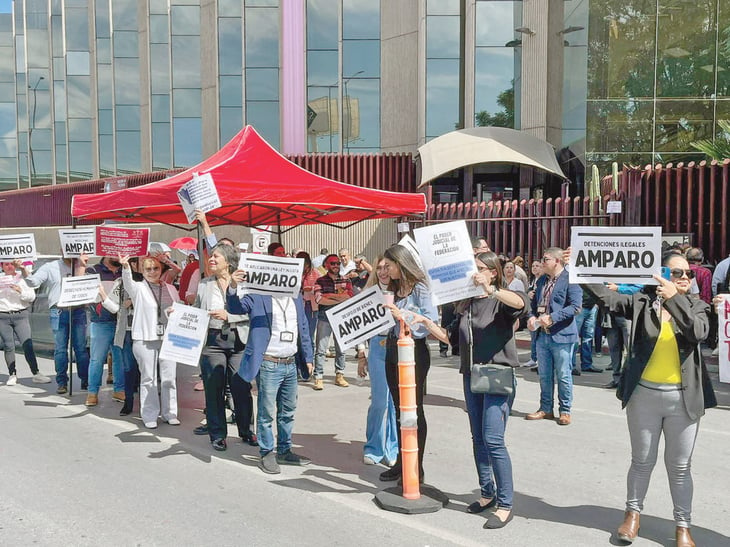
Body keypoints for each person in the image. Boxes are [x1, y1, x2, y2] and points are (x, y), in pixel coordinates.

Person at [583, 253, 715, 547]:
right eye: (676, 272)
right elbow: (606, 297)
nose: (684, 278)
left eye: (688, 274)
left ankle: (683, 526)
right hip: (644, 396)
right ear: (661, 273)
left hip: (683, 401)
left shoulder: (698, 306)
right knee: (642, 461)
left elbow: (698, 332)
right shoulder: (642, 304)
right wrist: (578, 269)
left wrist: (673, 299)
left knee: (680, 467)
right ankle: (633, 514)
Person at [456, 251, 528, 529]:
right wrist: (421, 322)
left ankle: (505, 503)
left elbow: (521, 304)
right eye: (471, 269)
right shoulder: (467, 303)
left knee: (493, 439)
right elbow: (451, 336)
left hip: (497, 375)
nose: (473, 273)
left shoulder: (502, 299)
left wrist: (492, 290)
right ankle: (487, 492)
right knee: (477, 438)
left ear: (493, 272)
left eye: (479, 268)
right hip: (471, 375)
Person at [226, 267, 314, 474]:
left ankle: (285, 450)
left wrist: (308, 357)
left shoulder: (296, 299)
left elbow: (303, 328)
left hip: (290, 362)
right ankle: (267, 452)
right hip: (269, 362)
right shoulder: (257, 297)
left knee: (288, 410)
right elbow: (234, 307)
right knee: (266, 412)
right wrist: (232, 286)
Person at [378, 244, 440, 483]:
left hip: (414, 352)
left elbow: (429, 323)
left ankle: (416, 468)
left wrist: (401, 316)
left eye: (389, 265)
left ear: (400, 264)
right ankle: (402, 462)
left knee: (413, 410)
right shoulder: (393, 287)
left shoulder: (420, 288)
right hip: (393, 348)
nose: (386, 270)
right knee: (398, 409)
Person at [194, 244, 255, 451]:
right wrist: (177, 314)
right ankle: (217, 434)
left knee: (241, 388)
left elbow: (252, 312)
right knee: (214, 390)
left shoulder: (243, 283)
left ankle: (247, 431)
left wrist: (230, 316)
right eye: (211, 256)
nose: (211, 260)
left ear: (228, 262)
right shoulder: (204, 284)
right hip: (213, 343)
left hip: (239, 342)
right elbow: (196, 311)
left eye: (216, 257)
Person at [121, 254, 181, 429]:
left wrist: (173, 311)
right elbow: (127, 282)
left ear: (161, 269)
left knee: (169, 378)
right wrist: (125, 266)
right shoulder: (138, 288)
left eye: (155, 268)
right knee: (149, 378)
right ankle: (149, 414)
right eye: (148, 269)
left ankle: (170, 412)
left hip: (169, 338)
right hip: (145, 338)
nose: (152, 272)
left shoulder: (170, 288)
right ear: (141, 270)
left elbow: (179, 308)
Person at [525, 247, 581, 426]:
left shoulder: (570, 279)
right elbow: (533, 304)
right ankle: (545, 408)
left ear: (557, 261)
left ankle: (565, 410)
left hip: (562, 334)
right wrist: (531, 316)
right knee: (544, 374)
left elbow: (575, 307)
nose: (542, 262)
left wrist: (553, 318)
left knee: (564, 374)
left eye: (546, 259)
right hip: (542, 334)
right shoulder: (541, 280)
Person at [19, 256, 89, 394]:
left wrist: (82, 264)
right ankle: (62, 382)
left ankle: (85, 381)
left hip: (78, 310)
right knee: (60, 349)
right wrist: (23, 269)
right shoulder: (50, 267)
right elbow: (33, 282)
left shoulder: (82, 265)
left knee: (80, 348)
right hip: (58, 309)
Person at [357, 256, 398, 467]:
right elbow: (358, 329)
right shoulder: (368, 293)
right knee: (380, 401)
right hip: (376, 346)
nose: (383, 272)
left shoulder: (401, 291)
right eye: (380, 267)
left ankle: (392, 449)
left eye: (387, 267)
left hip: (397, 347)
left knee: (394, 402)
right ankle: (373, 447)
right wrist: (361, 355)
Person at [80, 254, 125, 407]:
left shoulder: (124, 270)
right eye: (113, 252)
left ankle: (119, 390)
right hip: (100, 321)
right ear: (105, 253)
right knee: (97, 359)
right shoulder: (93, 270)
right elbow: (81, 288)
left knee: (119, 359)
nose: (117, 256)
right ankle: (92, 393)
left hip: (120, 321)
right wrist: (81, 266)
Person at [99, 257, 141, 416]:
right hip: (126, 332)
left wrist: (135, 301)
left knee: (146, 371)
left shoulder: (145, 282)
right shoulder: (119, 283)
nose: (130, 266)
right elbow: (115, 308)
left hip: (144, 332)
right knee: (128, 368)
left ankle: (146, 403)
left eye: (133, 263)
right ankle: (128, 402)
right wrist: (103, 296)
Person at [0, 261, 49, 385]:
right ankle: (12, 374)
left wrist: (20, 291)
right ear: (2, 267)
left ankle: (36, 373)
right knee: (8, 345)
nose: (9, 267)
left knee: (27, 344)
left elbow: (31, 297)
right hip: (3, 315)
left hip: (20, 315)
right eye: (6, 265)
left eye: (11, 264)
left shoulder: (22, 278)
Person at [312, 253, 354, 389]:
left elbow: (349, 297)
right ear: (326, 265)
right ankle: (318, 377)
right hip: (324, 317)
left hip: (341, 317)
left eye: (337, 263)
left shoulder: (346, 280)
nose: (336, 265)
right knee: (321, 349)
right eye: (332, 263)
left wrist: (329, 295)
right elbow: (320, 299)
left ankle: (339, 375)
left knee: (341, 348)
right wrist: (339, 297)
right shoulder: (320, 281)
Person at [297, 251, 319, 380]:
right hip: (299, 305)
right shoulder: (295, 272)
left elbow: (319, 287)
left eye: (305, 263)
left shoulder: (314, 273)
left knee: (308, 337)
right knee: (299, 337)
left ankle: (309, 366)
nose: (303, 266)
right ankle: (300, 366)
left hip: (311, 307)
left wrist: (310, 289)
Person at [571, 289, 602, 375]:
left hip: (592, 307)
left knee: (588, 337)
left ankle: (587, 364)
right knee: (574, 338)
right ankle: (571, 366)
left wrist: (597, 304)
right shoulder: (577, 276)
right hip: (579, 307)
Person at [524, 260, 543, 368]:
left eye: (537, 266)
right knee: (533, 336)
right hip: (532, 312)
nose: (535, 268)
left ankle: (538, 359)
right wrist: (528, 293)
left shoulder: (543, 280)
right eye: (533, 266)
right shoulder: (532, 280)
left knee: (538, 336)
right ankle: (533, 358)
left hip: (540, 312)